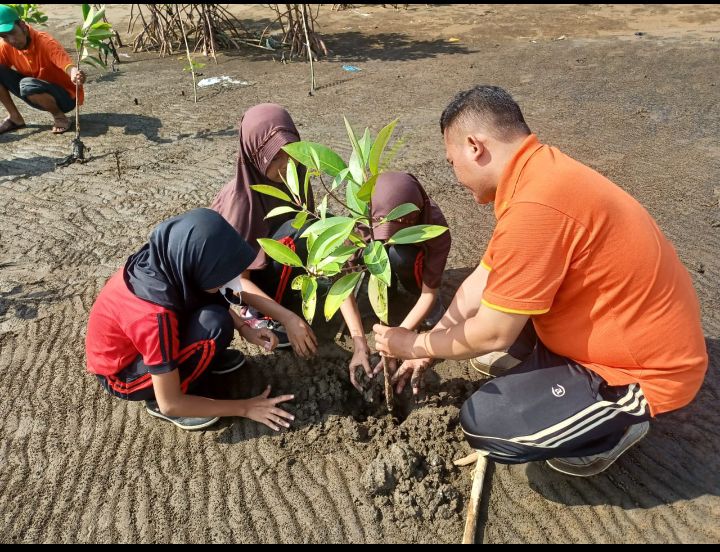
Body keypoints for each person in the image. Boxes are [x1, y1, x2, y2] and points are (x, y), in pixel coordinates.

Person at [374, 85, 708, 477]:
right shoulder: (539, 173)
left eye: (451, 162)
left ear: (474, 146)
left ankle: (617, 423)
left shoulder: (537, 207)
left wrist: (413, 342)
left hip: (645, 370)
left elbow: (494, 333)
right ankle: (555, 374)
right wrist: (431, 347)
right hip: (609, 326)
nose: (456, 176)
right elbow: (483, 278)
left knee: (487, 423)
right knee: (484, 330)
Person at [86, 208, 295, 432]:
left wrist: (245, 328)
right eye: (218, 275)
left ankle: (198, 362)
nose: (226, 281)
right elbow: (171, 404)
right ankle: (158, 395)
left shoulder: (166, 259)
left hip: (144, 341)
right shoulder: (154, 315)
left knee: (218, 317)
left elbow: (213, 293)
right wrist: (246, 408)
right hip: (123, 374)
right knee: (213, 327)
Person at [211, 103, 373, 387]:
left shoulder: (296, 177)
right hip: (251, 286)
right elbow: (234, 282)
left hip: (286, 269)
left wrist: (360, 343)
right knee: (297, 230)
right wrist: (289, 320)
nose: (286, 165)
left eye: (291, 152)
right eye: (274, 158)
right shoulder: (240, 203)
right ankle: (264, 315)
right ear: (254, 155)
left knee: (330, 228)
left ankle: (296, 306)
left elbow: (326, 249)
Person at [362, 171, 451, 378]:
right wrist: (359, 341)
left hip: (413, 261)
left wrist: (399, 335)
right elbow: (341, 280)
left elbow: (429, 294)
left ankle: (412, 290)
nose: (390, 237)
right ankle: (388, 292)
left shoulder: (435, 228)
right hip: (380, 255)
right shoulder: (364, 217)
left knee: (400, 256)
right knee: (379, 250)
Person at [0, 5, 85, 134]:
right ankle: (15, 118)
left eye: (12, 32)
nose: (11, 40)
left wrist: (75, 74)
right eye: (4, 36)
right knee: (25, 84)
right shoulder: (6, 46)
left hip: (65, 98)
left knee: (27, 85)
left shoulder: (45, 42)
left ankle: (59, 116)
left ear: (23, 26)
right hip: (34, 89)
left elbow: (67, 65)